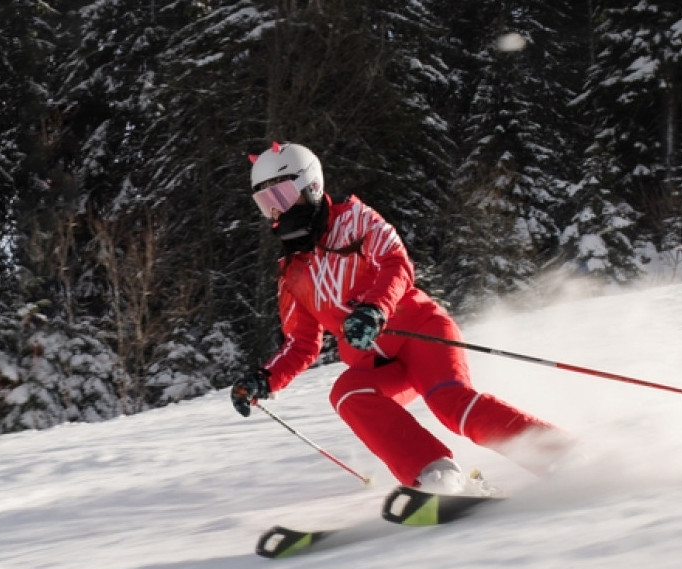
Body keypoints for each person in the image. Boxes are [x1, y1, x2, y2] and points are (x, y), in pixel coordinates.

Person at [231, 142, 562, 493]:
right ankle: (435, 476)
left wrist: (375, 309)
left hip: (420, 331)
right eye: (266, 203)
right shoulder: (293, 272)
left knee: (450, 403)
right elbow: (301, 343)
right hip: (377, 363)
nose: (277, 211)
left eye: (281, 196)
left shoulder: (354, 219)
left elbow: (396, 263)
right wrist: (265, 380)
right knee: (347, 393)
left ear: (310, 184)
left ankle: (558, 454)